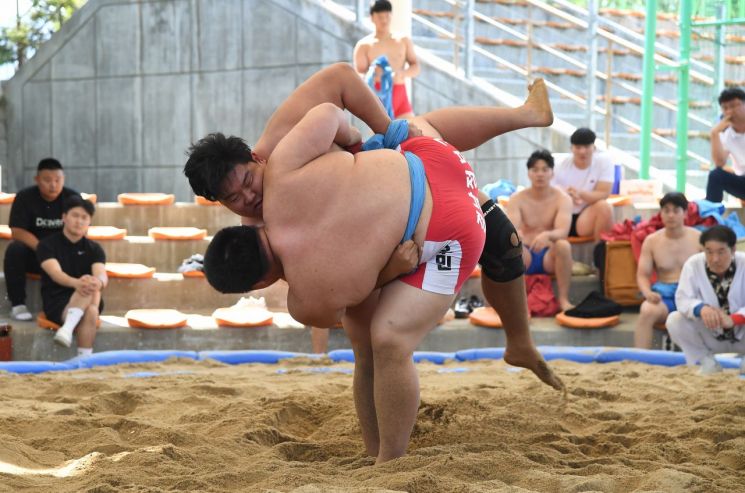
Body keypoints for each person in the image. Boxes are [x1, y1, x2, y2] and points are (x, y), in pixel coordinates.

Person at [184, 62, 563, 394]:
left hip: (388, 180)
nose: (249, 197)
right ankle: (384, 438)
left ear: (254, 157)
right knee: (369, 347)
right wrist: (386, 272)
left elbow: (340, 78)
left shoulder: (279, 143)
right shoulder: (255, 229)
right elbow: (315, 286)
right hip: (371, 256)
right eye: (234, 198)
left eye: (248, 181)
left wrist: (385, 132)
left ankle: (520, 342)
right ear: (221, 203)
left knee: (502, 240)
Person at [5, 158, 80, 321]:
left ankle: (72, 303)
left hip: (63, 255)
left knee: (83, 251)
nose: (53, 185)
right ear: (37, 179)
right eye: (47, 180)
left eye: (57, 180)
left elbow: (80, 229)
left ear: (64, 179)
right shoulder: (25, 197)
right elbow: (17, 231)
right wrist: (43, 249)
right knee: (14, 249)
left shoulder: (73, 198)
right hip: (35, 254)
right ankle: (18, 305)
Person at [666, 225, 745, 375]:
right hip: (711, 334)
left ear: (733, 249)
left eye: (721, 252)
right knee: (674, 319)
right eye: (709, 252)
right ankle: (708, 362)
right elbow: (682, 299)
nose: (715, 259)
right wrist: (701, 308)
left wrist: (735, 319)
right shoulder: (693, 264)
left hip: (742, 334)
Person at [37, 196, 107, 354]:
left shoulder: (95, 248)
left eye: (84, 217)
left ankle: (68, 332)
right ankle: (82, 353)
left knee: (92, 287)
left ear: (89, 222)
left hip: (88, 296)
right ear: (64, 217)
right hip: (57, 301)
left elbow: (101, 275)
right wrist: (78, 283)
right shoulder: (47, 245)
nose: (79, 221)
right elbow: (55, 274)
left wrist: (99, 282)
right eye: (75, 215)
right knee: (91, 306)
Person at [506, 150, 573, 311]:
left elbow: (563, 231)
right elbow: (511, 229)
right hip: (526, 255)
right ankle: (519, 304)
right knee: (512, 247)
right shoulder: (517, 199)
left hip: (549, 256)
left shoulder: (562, 198)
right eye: (535, 170)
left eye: (544, 170)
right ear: (529, 173)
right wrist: (518, 236)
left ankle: (563, 299)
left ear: (552, 173)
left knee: (564, 245)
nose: (540, 174)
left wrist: (547, 235)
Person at [634, 192, 701, 349]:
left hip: (693, 294)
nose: (671, 215)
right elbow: (643, 275)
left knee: (709, 311)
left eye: (676, 210)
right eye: (666, 210)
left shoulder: (699, 238)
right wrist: (647, 293)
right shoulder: (652, 241)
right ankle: (638, 360)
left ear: (685, 213)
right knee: (647, 310)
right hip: (665, 295)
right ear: (661, 213)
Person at [353, 0, 419, 118]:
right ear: (372, 17)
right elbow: (358, 75)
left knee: (411, 133)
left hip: (400, 93)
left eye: (387, 16)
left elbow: (416, 67)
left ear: (391, 16)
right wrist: (373, 73)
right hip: (377, 97)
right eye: (380, 16)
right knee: (381, 135)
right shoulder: (364, 45)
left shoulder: (403, 40)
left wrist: (402, 73)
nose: (384, 20)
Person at [552, 127, 614, 240]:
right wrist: (566, 194)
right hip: (560, 216)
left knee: (605, 207)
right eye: (578, 147)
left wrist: (580, 193)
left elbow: (604, 194)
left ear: (594, 148)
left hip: (584, 217)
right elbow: (548, 193)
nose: (582, 151)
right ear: (571, 148)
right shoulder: (558, 164)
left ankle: (601, 254)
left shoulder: (604, 162)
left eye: (586, 147)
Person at [706, 87, 745, 203]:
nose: (729, 112)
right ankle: (712, 217)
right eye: (725, 108)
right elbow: (720, 162)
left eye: (733, 106)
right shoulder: (725, 132)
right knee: (716, 176)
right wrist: (714, 133)